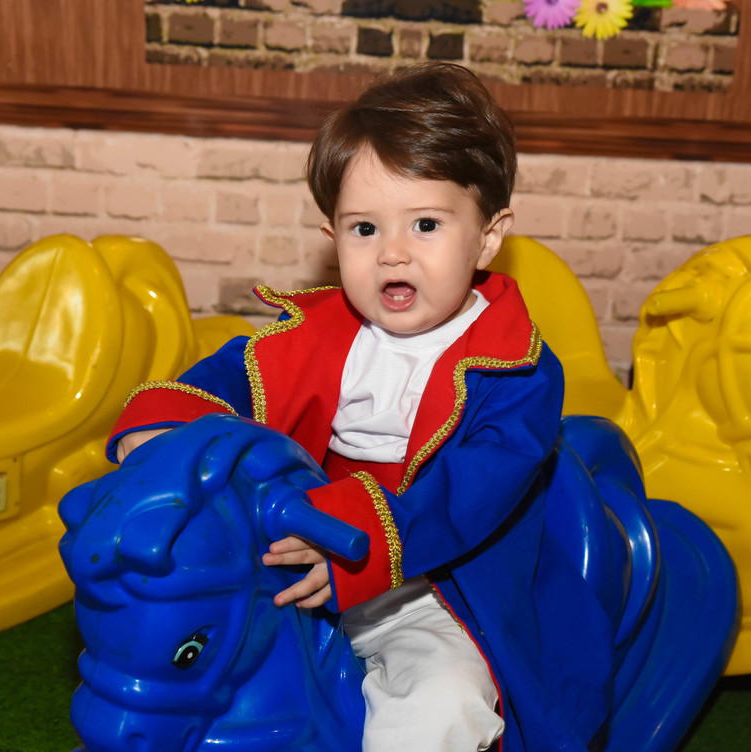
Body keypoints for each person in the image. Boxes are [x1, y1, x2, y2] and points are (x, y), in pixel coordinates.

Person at [106, 62, 614, 752]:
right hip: (294, 560)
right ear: (332, 236)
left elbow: (472, 493)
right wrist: (163, 428)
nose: (392, 253)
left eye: (426, 224)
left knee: (440, 704)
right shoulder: (315, 334)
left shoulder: (516, 368)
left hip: (438, 588)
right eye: (364, 229)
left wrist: (358, 541)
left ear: (489, 236)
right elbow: (227, 378)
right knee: (175, 635)